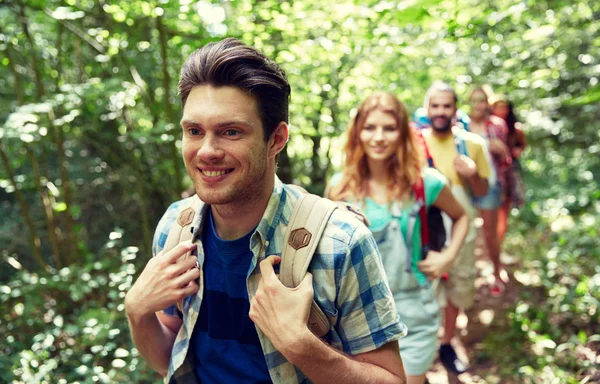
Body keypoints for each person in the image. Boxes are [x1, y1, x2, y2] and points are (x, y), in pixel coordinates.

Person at [124, 38, 408, 384]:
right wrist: (138, 312)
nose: (207, 151)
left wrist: (301, 346)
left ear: (276, 139)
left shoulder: (340, 244)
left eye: (231, 132)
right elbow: (168, 360)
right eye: (194, 131)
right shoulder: (175, 227)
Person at [326, 92, 469, 384]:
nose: (379, 137)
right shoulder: (338, 187)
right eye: (370, 128)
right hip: (355, 317)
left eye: (389, 128)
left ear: (402, 133)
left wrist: (448, 256)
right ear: (357, 133)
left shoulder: (425, 182)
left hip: (413, 314)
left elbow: (462, 216)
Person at [419, 81, 491, 375]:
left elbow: (484, 190)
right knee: (427, 286)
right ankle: (423, 349)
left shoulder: (473, 144)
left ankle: (447, 342)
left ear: (455, 109)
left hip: (463, 228)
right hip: (425, 229)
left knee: (458, 286)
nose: (440, 111)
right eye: (435, 106)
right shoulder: (414, 143)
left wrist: (473, 175)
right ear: (427, 109)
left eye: (446, 106)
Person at [467, 87, 512, 295]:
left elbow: (506, 161)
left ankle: (496, 270)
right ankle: (468, 278)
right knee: (466, 232)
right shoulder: (460, 124)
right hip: (464, 186)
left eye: (482, 100)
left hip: (490, 185)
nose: (478, 104)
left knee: (489, 232)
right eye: (474, 100)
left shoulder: (497, 125)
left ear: (487, 103)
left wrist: (502, 152)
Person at [491, 95, 527, 244]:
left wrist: (516, 150)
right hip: (492, 172)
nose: (502, 110)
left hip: (509, 173)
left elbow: (522, 145)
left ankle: (498, 245)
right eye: (498, 107)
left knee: (503, 211)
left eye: (504, 107)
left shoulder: (515, 128)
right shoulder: (488, 128)